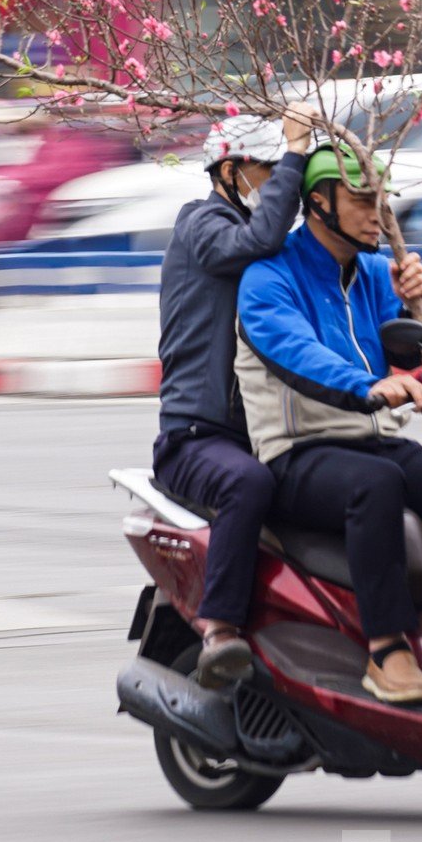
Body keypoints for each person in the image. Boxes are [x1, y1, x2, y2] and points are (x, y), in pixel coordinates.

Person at [233, 143, 422, 705]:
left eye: (381, 201)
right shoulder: (268, 278)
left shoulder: (380, 273)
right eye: (362, 201)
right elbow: (297, 352)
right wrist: (368, 386)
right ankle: (386, 650)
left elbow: (416, 360)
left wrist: (419, 310)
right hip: (299, 455)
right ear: (318, 203)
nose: (378, 214)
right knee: (374, 486)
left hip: (377, 442)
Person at [151, 104, 315, 687]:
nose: (279, 187)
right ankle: (219, 626)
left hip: (261, 433)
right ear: (231, 172)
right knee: (248, 484)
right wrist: (296, 151)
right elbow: (262, 235)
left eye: (282, 172)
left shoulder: (269, 252)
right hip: (195, 438)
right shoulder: (200, 225)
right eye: (269, 172)